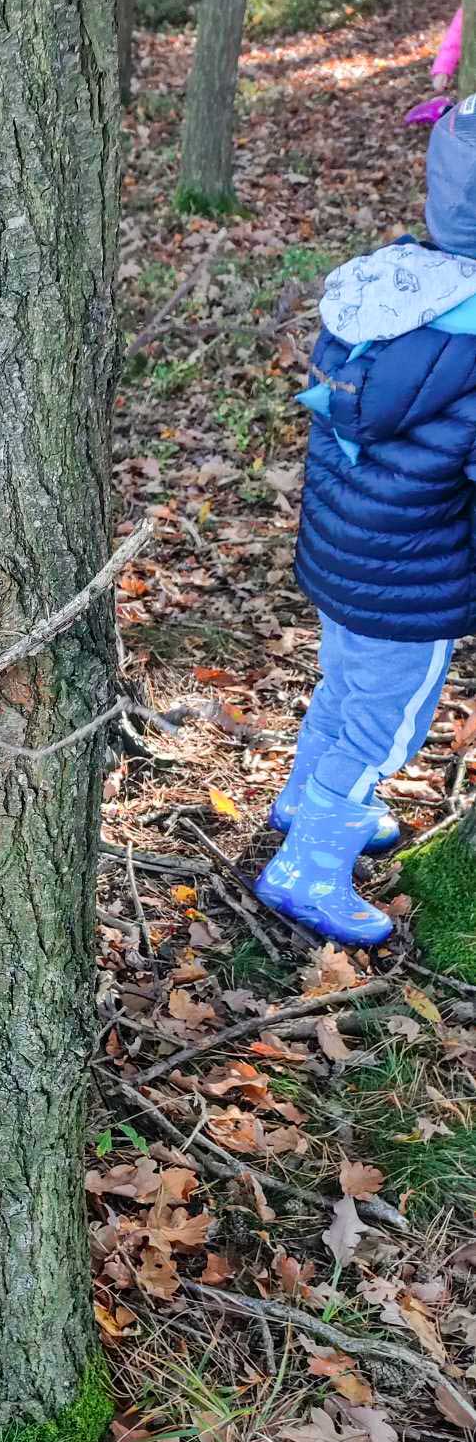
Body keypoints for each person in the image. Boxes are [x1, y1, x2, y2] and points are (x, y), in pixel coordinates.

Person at [255, 102, 476, 946]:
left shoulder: (385, 294)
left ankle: (300, 795)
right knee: (385, 725)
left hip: (345, 558)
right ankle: (308, 866)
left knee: (345, 687)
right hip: (412, 584)